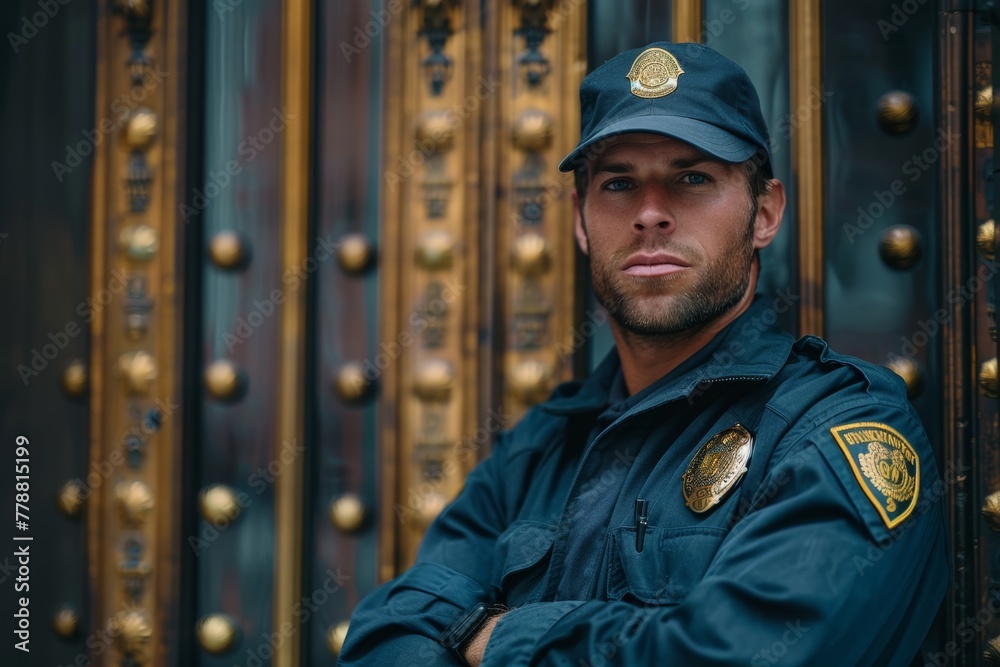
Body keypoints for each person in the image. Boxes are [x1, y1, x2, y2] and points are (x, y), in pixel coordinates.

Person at [339, 41, 948, 666]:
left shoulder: (837, 431)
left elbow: (730, 659)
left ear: (764, 212)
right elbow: (387, 634)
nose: (651, 214)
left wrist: (487, 635)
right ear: (581, 221)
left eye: (693, 178)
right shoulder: (537, 451)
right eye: (619, 183)